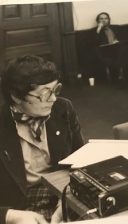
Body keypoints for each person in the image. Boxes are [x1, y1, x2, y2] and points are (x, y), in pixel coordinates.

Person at [0, 55, 84, 224]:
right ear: (16, 96)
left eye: (55, 90)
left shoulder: (63, 108)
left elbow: (80, 160)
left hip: (61, 190)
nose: (53, 99)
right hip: (19, 206)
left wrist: (68, 199)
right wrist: (10, 216)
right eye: (45, 94)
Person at [94, 12, 128, 82]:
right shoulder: (96, 31)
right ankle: (120, 75)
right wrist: (98, 29)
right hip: (105, 51)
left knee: (123, 49)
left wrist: (117, 41)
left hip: (117, 48)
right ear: (98, 21)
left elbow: (125, 38)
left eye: (106, 18)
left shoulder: (116, 27)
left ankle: (121, 75)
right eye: (101, 19)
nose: (104, 20)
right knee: (121, 52)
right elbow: (94, 43)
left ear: (109, 20)